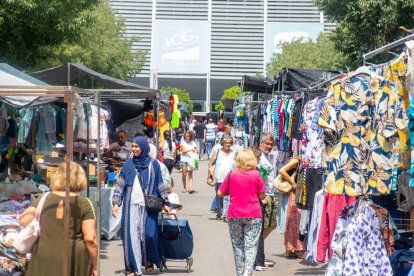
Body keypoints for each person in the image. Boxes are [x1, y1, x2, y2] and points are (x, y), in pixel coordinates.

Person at [19, 161, 98, 276]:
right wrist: (94, 266)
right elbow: (91, 239)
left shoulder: (43, 198)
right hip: (73, 256)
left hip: (44, 253)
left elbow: (23, 221)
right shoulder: (84, 203)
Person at [112, 137, 172, 276]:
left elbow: (160, 185)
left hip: (148, 207)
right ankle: (134, 268)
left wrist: (166, 204)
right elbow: (120, 184)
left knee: (149, 235)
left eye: (136, 146)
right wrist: (116, 203)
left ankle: (149, 260)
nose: (133, 149)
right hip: (130, 205)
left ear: (144, 147)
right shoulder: (128, 164)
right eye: (132, 146)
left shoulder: (153, 165)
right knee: (131, 236)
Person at [218, 149, 266, 276]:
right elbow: (262, 196)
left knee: (237, 245)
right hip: (253, 214)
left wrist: (233, 192)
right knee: (251, 245)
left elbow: (220, 193)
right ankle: (247, 271)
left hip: (235, 214)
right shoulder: (256, 175)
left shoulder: (231, 174)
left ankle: (240, 273)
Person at [279, 155, 306, 259]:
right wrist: (293, 183)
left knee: (297, 220)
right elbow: (282, 170)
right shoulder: (297, 160)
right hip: (296, 194)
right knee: (296, 220)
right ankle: (296, 249)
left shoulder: (308, 161)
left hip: (302, 194)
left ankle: (292, 248)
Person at [258, 132, 277, 268]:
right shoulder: (260, 158)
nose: (269, 146)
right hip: (264, 195)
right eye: (267, 144)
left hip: (271, 193)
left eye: (271, 144)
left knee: (272, 224)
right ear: (261, 143)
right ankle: (257, 254)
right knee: (264, 225)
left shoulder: (270, 156)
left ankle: (256, 248)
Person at [208, 135, 235, 222]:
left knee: (229, 197)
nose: (228, 144)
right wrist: (209, 177)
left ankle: (226, 214)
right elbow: (211, 164)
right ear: (223, 143)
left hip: (231, 178)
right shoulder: (217, 151)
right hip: (219, 178)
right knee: (219, 196)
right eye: (226, 143)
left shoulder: (234, 152)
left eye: (230, 143)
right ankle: (220, 213)